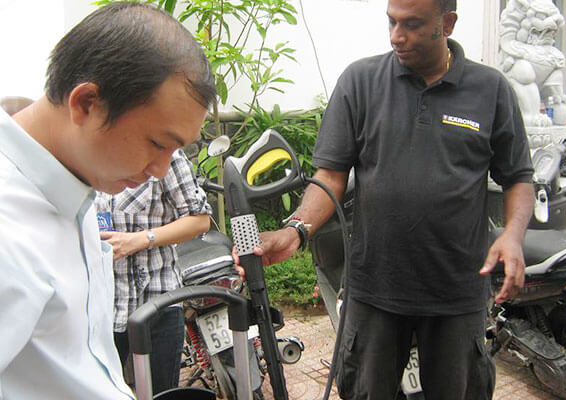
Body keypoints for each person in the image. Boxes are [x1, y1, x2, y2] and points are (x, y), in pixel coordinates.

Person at [240, 0, 534, 399]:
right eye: (392, 22)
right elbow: (330, 176)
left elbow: (518, 178)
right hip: (375, 290)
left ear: (447, 23)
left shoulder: (490, 89)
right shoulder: (361, 82)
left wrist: (513, 235)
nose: (397, 36)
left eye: (412, 25)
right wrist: (296, 231)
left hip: (456, 292)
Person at [0, 2, 216, 399]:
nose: (161, 170)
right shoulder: (9, 226)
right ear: (87, 104)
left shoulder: (75, 182)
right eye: (158, 143)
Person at [95, 149, 212, 393]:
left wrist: (140, 239)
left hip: (157, 298)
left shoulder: (165, 153)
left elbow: (199, 220)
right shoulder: (88, 152)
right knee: (101, 390)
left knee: (160, 391)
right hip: (100, 305)